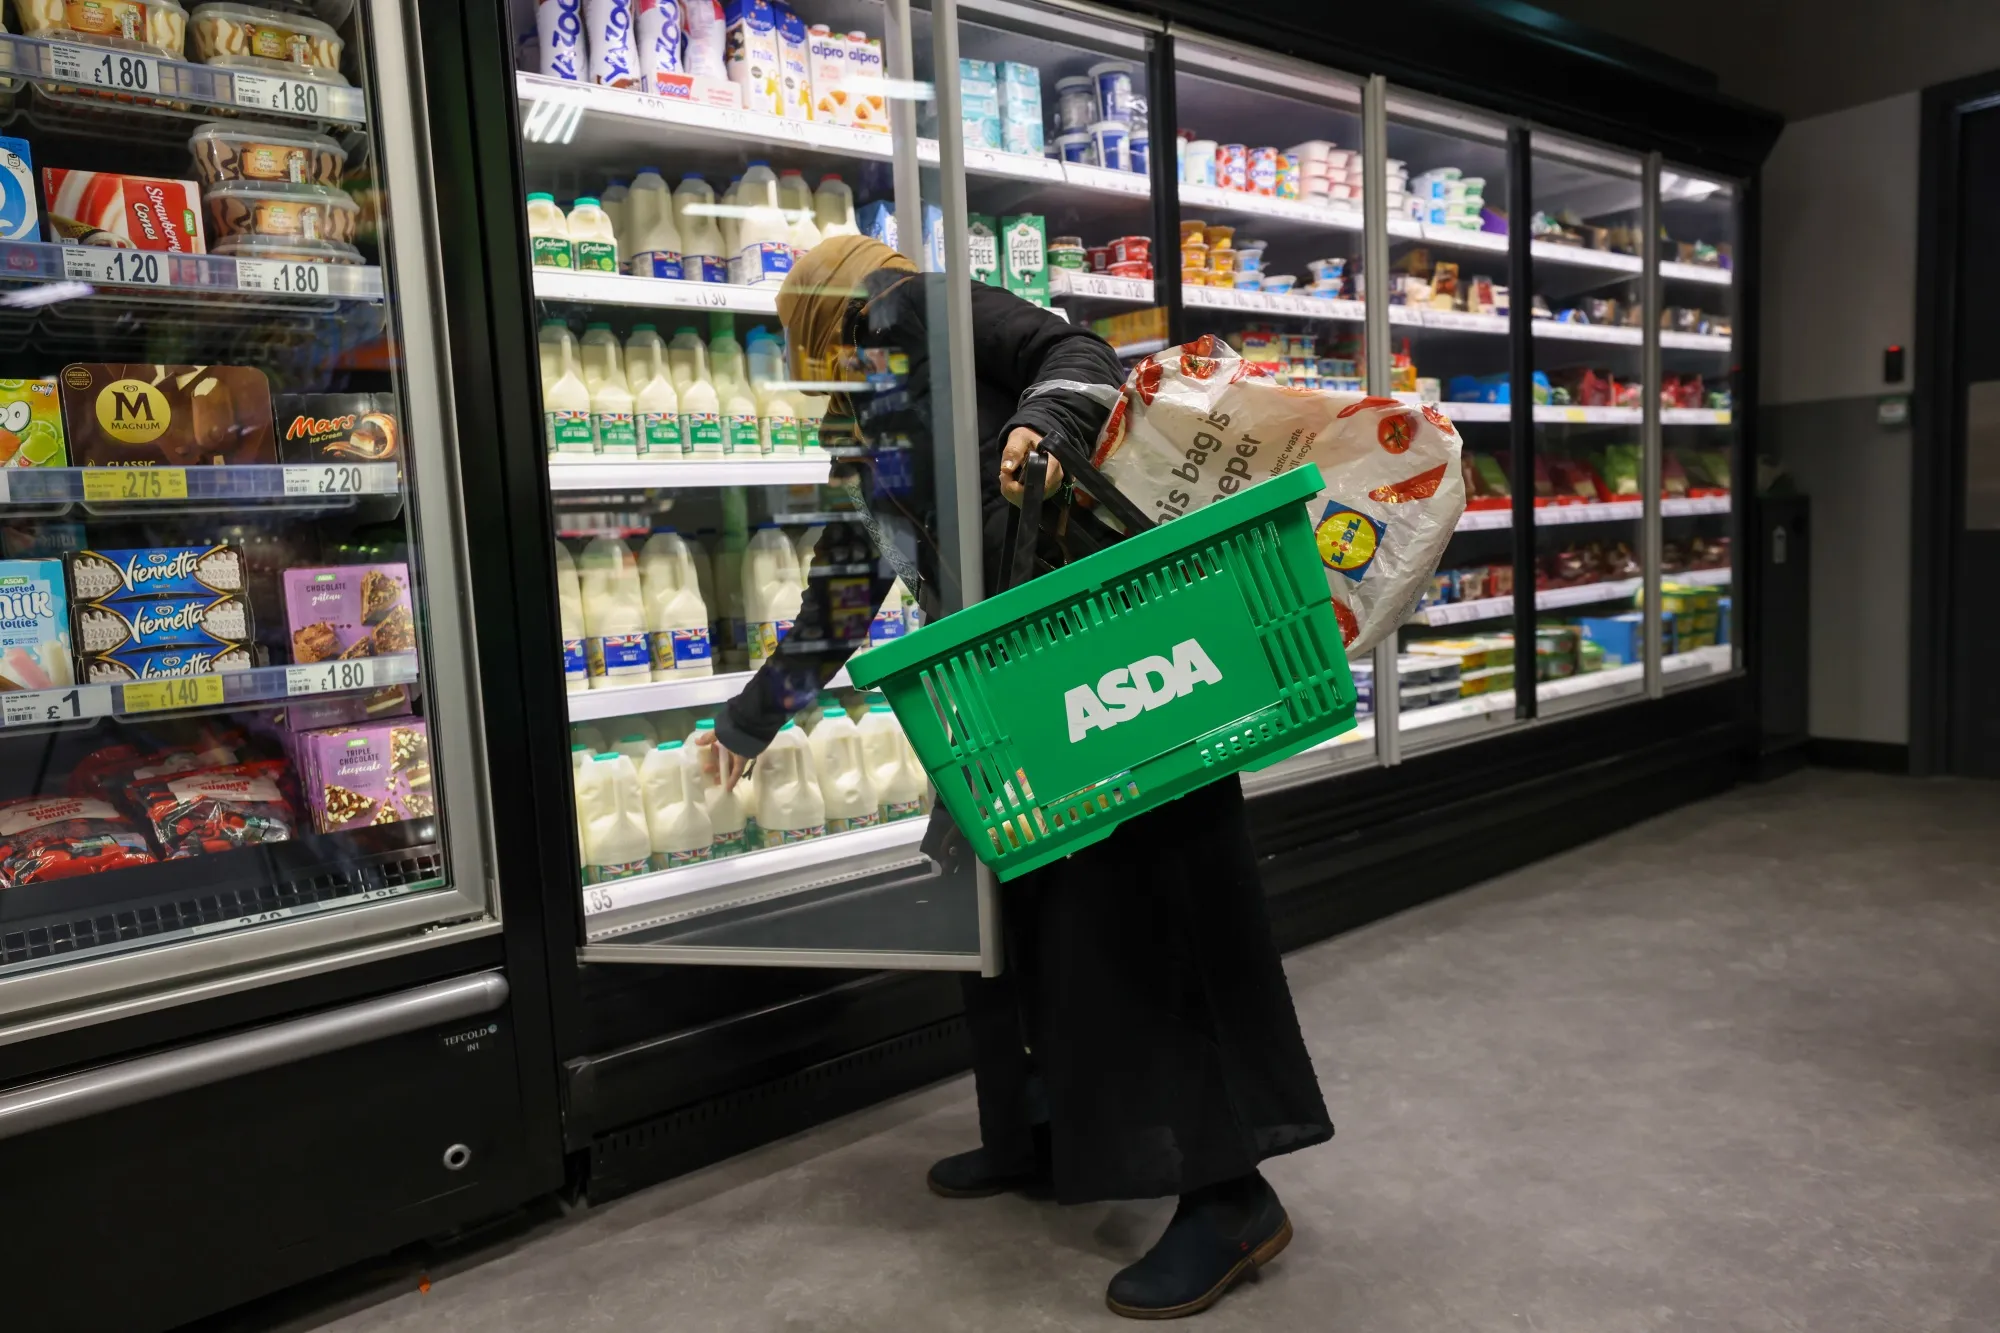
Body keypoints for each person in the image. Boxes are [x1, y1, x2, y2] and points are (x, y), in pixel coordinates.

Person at [695, 235, 1332, 1319]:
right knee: (1007, 923)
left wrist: (1043, 423)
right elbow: (851, 584)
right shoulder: (865, 409)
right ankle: (1041, 1131)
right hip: (1014, 695)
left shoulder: (911, 307)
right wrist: (751, 721)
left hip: (1102, 668)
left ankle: (1231, 1195)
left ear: (815, 311)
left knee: (1143, 925)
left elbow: (1075, 350)